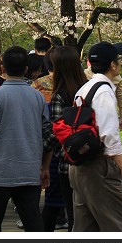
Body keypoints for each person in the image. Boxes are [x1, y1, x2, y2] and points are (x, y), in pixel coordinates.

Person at [0, 45, 51, 233]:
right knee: (33, 222)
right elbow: (48, 134)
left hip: (0, 173)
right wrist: (45, 167)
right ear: (26, 69)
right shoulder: (38, 97)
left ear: (2, 68)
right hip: (29, 171)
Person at [68, 41, 122, 232]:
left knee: (85, 229)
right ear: (113, 65)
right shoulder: (104, 92)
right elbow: (109, 137)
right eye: (118, 60)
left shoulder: (84, 89)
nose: (120, 63)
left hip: (79, 166)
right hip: (99, 168)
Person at [43, 44, 88, 232]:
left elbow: (56, 132)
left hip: (66, 162)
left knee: (72, 213)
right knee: (85, 214)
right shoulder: (88, 89)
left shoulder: (60, 95)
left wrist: (42, 147)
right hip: (89, 159)